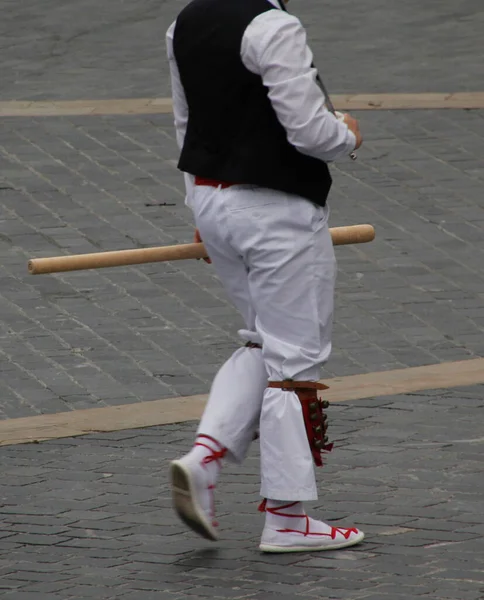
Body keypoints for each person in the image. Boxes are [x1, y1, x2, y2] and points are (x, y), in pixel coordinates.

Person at [166, 0, 364, 553]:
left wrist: (198, 212)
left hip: (213, 198)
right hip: (276, 209)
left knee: (263, 339)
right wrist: (347, 135)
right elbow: (307, 129)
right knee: (295, 362)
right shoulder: (273, 24)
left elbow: (189, 125)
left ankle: (204, 459)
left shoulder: (184, 20)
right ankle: (287, 518)